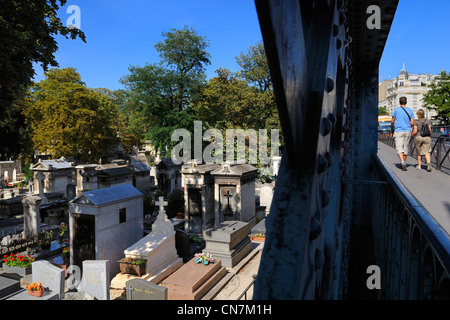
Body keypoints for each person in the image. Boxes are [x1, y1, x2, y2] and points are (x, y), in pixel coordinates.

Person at [391, 97, 414, 171]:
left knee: (399, 147)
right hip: (407, 131)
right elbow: (412, 123)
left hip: (398, 130)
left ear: (399, 102)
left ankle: (402, 161)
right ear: (406, 102)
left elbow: (392, 121)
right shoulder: (410, 110)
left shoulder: (396, 110)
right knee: (405, 147)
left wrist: (392, 128)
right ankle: (403, 162)